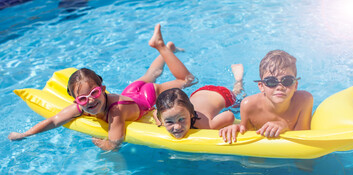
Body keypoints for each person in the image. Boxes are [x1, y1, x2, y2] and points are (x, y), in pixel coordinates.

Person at [8, 24, 195, 150]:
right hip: (131, 92)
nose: (89, 101)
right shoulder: (82, 106)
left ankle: (162, 48)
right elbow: (54, 120)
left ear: (103, 89)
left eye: (94, 93)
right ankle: (167, 49)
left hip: (145, 97)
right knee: (150, 75)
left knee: (187, 80)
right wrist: (26, 133)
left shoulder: (116, 111)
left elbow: (115, 141)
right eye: (82, 99)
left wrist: (103, 145)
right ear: (76, 100)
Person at [219, 50, 313, 143]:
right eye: (271, 81)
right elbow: (248, 135)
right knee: (237, 97)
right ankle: (238, 81)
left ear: (295, 85)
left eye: (287, 81)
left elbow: (303, 138)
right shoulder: (249, 105)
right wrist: (237, 128)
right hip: (240, 104)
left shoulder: (304, 100)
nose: (280, 87)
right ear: (261, 86)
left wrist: (286, 126)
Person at [154, 64, 244, 139]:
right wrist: (160, 122)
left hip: (223, 95)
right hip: (198, 93)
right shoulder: (164, 115)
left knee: (237, 98)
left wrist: (226, 126)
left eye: (181, 119)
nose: (177, 127)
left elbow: (229, 115)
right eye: (169, 122)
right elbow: (155, 112)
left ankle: (238, 80)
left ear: (191, 114)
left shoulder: (206, 124)